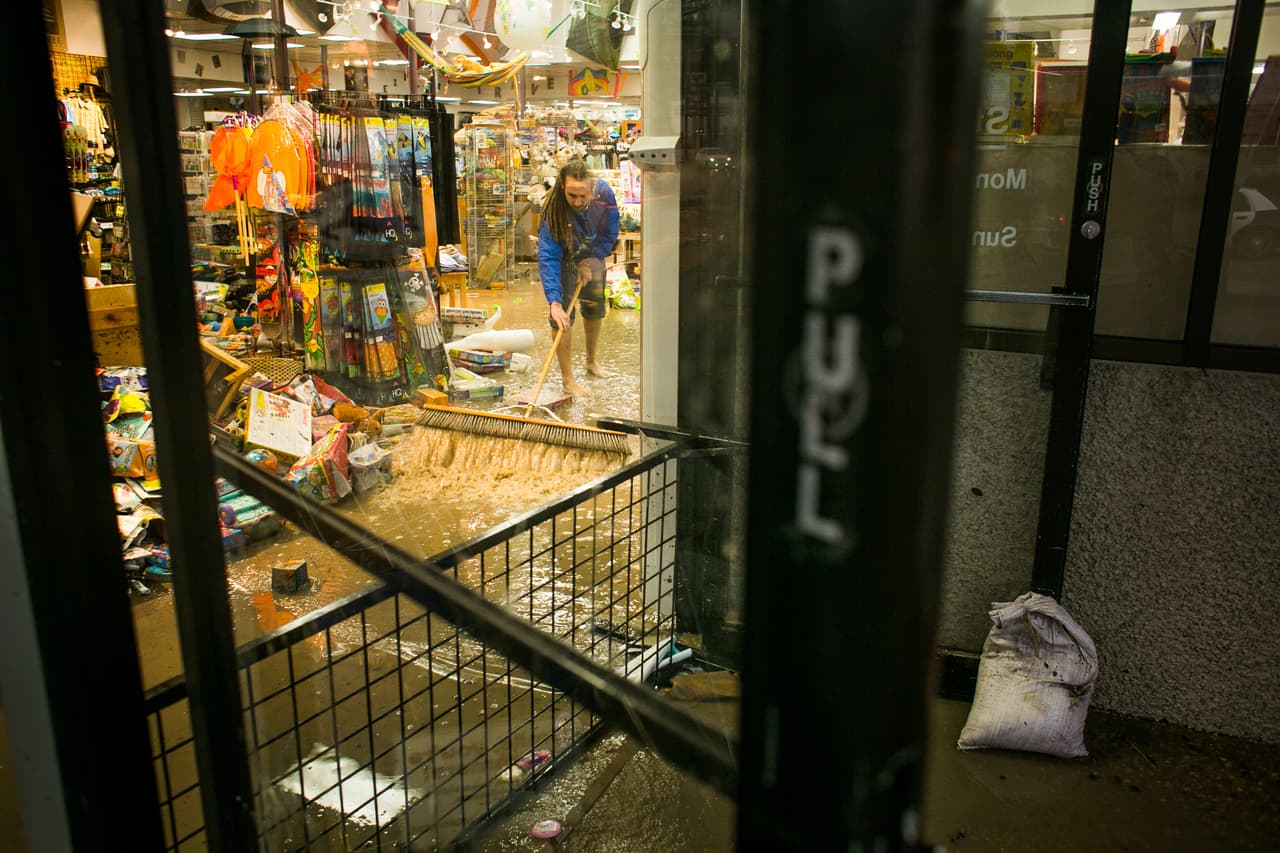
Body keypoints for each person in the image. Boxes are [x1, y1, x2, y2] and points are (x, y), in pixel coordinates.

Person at [537, 159, 620, 397]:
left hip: (592, 254)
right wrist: (554, 302)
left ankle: (591, 361)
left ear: (592, 188)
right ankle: (568, 379)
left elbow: (611, 232)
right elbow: (548, 257)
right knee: (562, 317)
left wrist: (593, 258)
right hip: (563, 259)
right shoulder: (553, 211)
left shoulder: (604, 194)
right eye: (572, 195)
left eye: (582, 195)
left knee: (595, 306)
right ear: (562, 186)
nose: (577, 201)